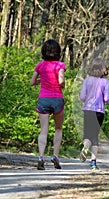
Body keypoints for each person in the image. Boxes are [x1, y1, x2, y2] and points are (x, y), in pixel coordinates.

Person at [30, 39, 66, 170]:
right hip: (57, 99)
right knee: (58, 129)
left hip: (43, 99)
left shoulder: (40, 66)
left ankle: (41, 156)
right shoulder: (60, 65)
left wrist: (42, 80)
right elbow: (61, 81)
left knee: (43, 130)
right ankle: (55, 156)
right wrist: (62, 83)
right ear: (58, 52)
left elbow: (32, 82)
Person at [79, 58, 109, 170]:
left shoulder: (87, 81)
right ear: (103, 69)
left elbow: (82, 97)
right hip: (99, 111)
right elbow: (106, 98)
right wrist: (108, 101)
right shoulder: (105, 82)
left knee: (87, 134)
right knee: (95, 136)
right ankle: (93, 163)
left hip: (88, 110)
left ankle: (85, 148)